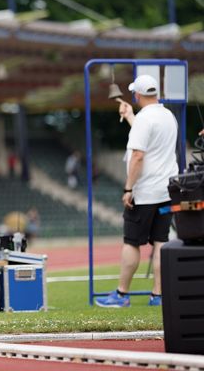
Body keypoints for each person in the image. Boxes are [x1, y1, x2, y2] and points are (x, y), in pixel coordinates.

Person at [96, 75, 177, 308]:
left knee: (132, 242)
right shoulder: (167, 116)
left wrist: (128, 188)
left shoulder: (144, 119)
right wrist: (131, 116)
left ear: (137, 95)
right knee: (161, 242)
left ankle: (121, 295)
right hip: (166, 190)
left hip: (145, 192)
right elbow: (152, 142)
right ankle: (157, 296)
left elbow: (139, 156)